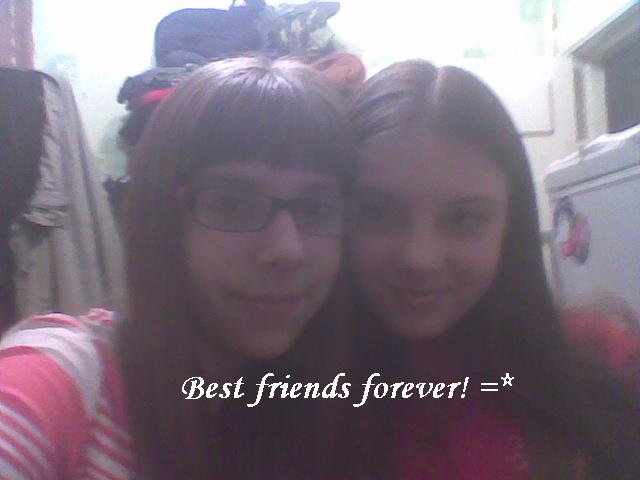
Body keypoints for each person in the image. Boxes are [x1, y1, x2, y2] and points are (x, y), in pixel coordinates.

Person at [0, 56, 356, 479]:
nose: (287, 250)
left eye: (316, 208)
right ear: (160, 216)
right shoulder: (65, 377)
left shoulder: (322, 400)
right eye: (232, 203)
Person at [343, 59, 640, 479]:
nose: (419, 258)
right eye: (378, 212)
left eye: (463, 219)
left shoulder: (607, 362)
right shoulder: (290, 399)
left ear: (509, 227)